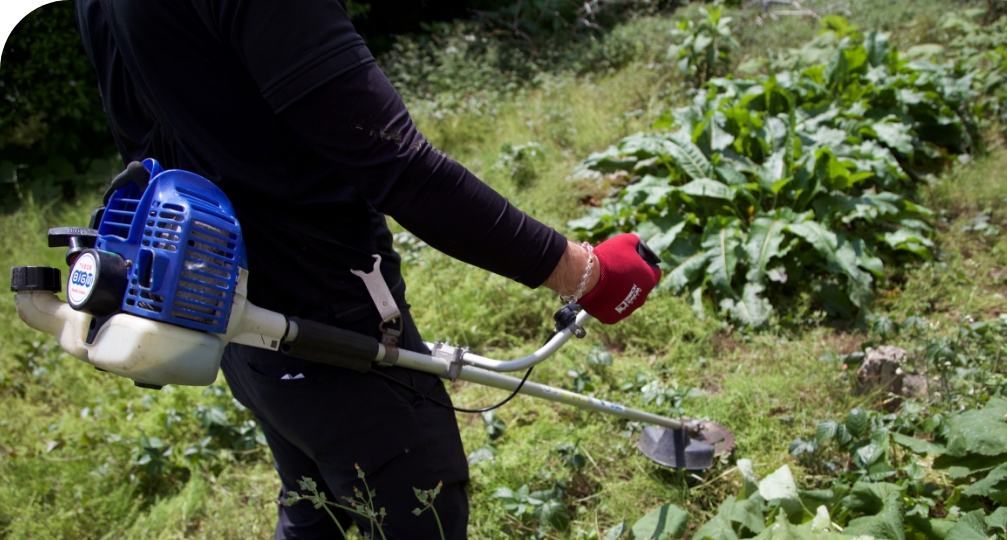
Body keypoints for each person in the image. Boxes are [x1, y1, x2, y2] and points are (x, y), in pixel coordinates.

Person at [72, 0, 661, 538]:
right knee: (423, 501)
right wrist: (585, 273)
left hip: (227, 312)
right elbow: (397, 164)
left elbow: (144, 145)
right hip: (333, 324)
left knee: (313, 504)